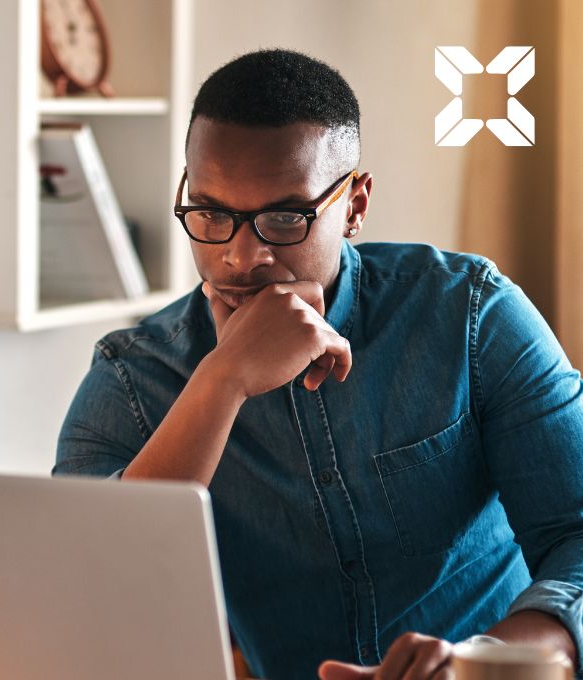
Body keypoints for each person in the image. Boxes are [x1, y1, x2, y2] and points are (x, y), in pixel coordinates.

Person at [53, 49, 583, 680]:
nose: (241, 257)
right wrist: (222, 382)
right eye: (211, 213)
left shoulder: (471, 315)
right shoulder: (132, 376)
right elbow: (88, 585)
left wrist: (491, 660)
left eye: (283, 218)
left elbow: (575, 534)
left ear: (355, 206)